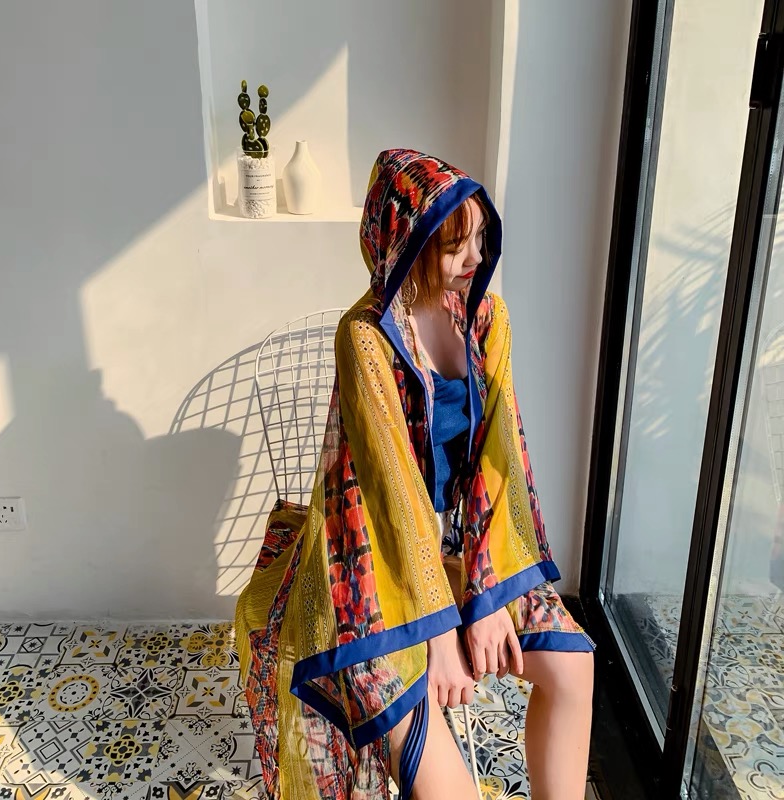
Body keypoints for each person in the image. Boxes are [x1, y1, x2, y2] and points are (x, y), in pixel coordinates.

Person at [235, 149, 595, 800]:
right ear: (409, 244)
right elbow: (394, 497)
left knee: (574, 668)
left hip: (469, 556)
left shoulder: (486, 318)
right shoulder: (366, 336)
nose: (475, 258)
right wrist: (439, 637)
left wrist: (487, 597)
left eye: (480, 238)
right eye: (456, 245)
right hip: (371, 576)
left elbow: (501, 462)